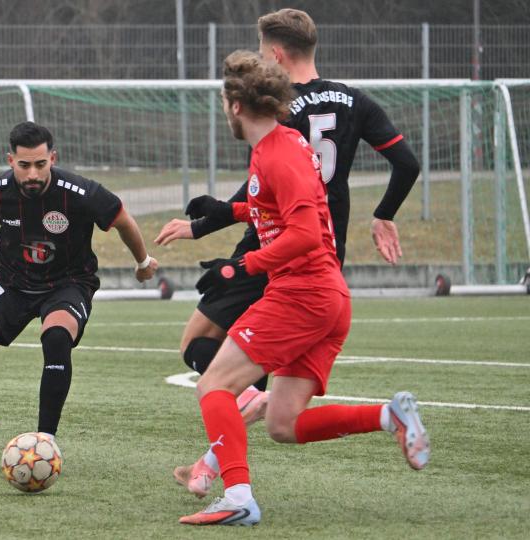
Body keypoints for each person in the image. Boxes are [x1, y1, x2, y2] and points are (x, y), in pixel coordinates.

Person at [154, 7, 422, 497]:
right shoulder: (350, 102)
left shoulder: (276, 119)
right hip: (326, 265)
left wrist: (233, 255)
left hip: (285, 259)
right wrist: (384, 212)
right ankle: (381, 416)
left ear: (274, 57)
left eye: (262, 53)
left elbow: (271, 201)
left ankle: (228, 479)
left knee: (205, 361)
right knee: (283, 421)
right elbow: (405, 162)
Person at [0, 121, 159, 467]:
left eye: (41, 164)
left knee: (55, 337)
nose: (33, 173)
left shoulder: (80, 192)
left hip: (68, 283)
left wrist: (142, 262)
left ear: (53, 157)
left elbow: (122, 219)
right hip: (12, 281)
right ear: (11, 160)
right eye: (24, 165)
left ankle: (45, 443)